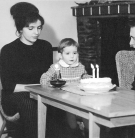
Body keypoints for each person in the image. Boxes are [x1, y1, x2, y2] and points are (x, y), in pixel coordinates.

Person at [0, 2, 66, 138]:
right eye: (31, 28)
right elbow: (9, 86)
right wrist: (37, 89)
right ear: (20, 29)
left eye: (39, 28)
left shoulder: (45, 46)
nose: (37, 32)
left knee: (60, 102)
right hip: (15, 96)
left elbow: (48, 75)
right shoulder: (8, 50)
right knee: (30, 102)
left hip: (41, 92)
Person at [40, 38, 91, 137]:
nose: (72, 56)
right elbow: (44, 78)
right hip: (65, 101)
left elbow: (85, 77)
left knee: (88, 116)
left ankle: (87, 132)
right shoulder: (56, 67)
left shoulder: (80, 67)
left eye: (74, 53)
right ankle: (74, 132)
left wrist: (90, 79)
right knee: (71, 123)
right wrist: (51, 85)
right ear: (60, 55)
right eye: (67, 53)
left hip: (80, 99)